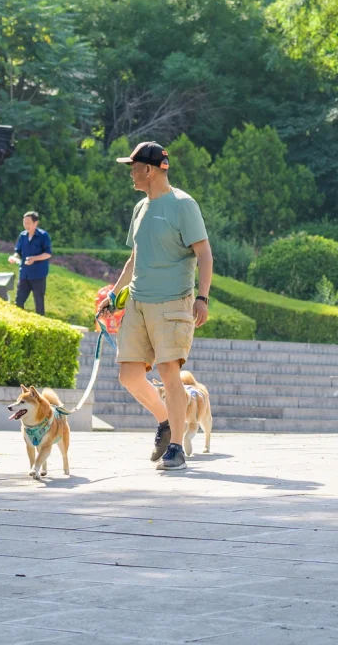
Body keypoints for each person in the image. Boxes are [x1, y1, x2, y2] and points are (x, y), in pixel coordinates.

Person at [97, 141, 213, 472]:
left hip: (173, 302)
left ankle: (176, 446)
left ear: (149, 169)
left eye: (133, 168)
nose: (131, 174)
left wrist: (202, 298)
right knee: (129, 375)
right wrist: (114, 294)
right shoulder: (140, 208)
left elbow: (204, 253)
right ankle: (166, 421)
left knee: (168, 372)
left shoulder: (183, 205)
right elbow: (136, 257)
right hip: (138, 302)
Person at [7, 211, 52, 315]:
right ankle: (19, 323)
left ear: (36, 223)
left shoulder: (43, 236)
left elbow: (48, 254)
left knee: (39, 303)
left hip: (38, 275)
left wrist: (34, 258)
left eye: (28, 223)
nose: (26, 225)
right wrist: (13, 257)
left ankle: (41, 327)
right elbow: (18, 252)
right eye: (24, 223)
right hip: (24, 274)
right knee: (18, 302)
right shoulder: (22, 235)